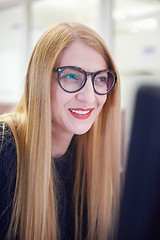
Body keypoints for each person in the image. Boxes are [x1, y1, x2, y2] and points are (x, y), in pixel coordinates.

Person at [0, 22, 121, 240]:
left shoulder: (89, 153)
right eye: (72, 76)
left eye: (100, 78)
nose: (89, 97)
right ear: (41, 81)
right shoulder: (4, 147)